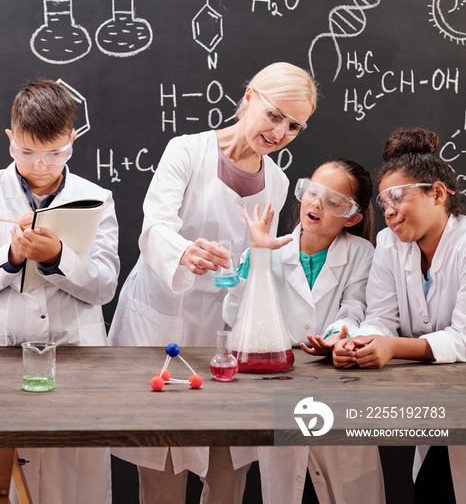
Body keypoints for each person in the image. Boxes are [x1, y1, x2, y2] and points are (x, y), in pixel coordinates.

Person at [108, 62, 317, 504]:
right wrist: (184, 252)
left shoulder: (276, 184)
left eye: (294, 126)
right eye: (274, 115)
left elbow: (256, 264)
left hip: (226, 331)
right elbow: (154, 227)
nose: (280, 133)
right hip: (165, 320)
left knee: (226, 475)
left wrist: (258, 259)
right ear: (249, 98)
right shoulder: (186, 151)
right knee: (162, 472)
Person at [223, 158, 385, 504]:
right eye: (312, 193)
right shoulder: (271, 248)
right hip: (281, 387)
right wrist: (257, 257)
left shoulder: (360, 252)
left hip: (338, 385)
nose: (316, 204)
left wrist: (336, 336)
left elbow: (355, 308)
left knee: (349, 486)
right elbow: (237, 314)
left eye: (332, 202)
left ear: (353, 217)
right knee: (286, 485)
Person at [0, 79, 120, 504]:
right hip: (9, 354)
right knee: (15, 482)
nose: (40, 165)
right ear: (11, 139)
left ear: (72, 140)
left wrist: (58, 257)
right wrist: (12, 258)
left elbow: (105, 285)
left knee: (80, 481)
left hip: (77, 355)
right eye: (27, 152)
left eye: (54, 153)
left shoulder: (96, 198)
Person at [333, 127, 466, 503]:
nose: (388, 210)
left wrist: (393, 347)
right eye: (382, 201)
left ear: (438, 193)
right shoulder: (390, 244)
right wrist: (359, 342)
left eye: (398, 197)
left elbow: (463, 337)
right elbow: (380, 316)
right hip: (429, 400)